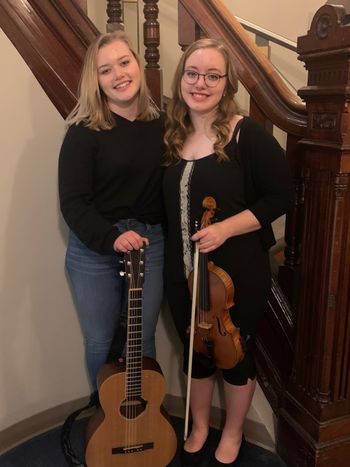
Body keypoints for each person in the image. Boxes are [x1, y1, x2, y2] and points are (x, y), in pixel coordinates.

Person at [163, 38, 292, 466]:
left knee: (235, 357)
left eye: (212, 75)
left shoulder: (245, 134)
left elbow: (281, 197)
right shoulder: (172, 135)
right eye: (193, 73)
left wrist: (225, 230)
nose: (201, 83)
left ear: (227, 83)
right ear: (181, 77)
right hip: (182, 273)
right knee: (195, 355)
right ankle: (200, 426)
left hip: (235, 276)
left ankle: (233, 432)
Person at [58, 31, 165, 393]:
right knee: (101, 341)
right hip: (94, 248)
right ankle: (105, 420)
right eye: (106, 70)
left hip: (148, 243)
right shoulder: (82, 132)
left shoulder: (162, 124)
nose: (119, 74)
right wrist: (112, 237)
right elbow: (73, 202)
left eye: (124, 62)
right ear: (96, 81)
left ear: (137, 63)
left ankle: (141, 417)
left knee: (142, 339)